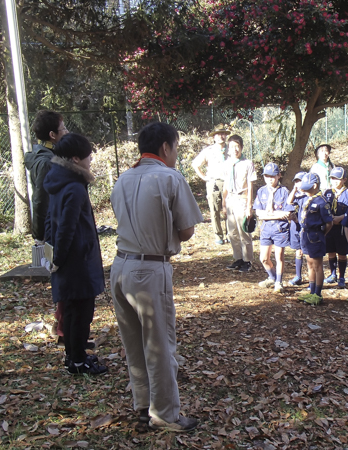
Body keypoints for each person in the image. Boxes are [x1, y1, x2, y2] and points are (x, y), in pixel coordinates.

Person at [110, 122, 203, 432]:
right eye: (176, 147)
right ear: (166, 147)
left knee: (134, 343)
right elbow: (187, 231)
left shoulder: (123, 178)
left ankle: (142, 405)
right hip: (149, 269)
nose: (176, 153)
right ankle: (165, 414)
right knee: (160, 344)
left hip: (119, 266)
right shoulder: (170, 177)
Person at [43, 133, 106, 375]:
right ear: (76, 159)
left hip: (65, 259)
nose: (91, 159)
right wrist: (59, 257)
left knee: (69, 310)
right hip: (78, 261)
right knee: (82, 312)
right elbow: (67, 227)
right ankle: (79, 361)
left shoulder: (56, 181)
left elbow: (50, 221)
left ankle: (72, 357)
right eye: (89, 155)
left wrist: (52, 255)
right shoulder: (75, 187)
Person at [25, 110, 69, 344]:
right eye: (63, 129)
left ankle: (62, 326)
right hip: (53, 229)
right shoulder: (46, 162)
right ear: (52, 135)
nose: (67, 132)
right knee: (63, 276)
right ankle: (63, 330)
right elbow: (41, 200)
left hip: (55, 226)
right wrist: (40, 235)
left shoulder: (48, 156)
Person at [254, 163, 294, 293]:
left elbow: (287, 213)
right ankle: (272, 277)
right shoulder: (261, 191)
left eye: (272, 176)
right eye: (267, 176)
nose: (270, 179)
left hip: (280, 229)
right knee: (264, 258)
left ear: (278, 176)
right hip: (266, 228)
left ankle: (279, 281)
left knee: (279, 256)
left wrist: (270, 214)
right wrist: (277, 214)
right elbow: (259, 213)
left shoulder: (284, 192)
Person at [295, 173, 333, 305]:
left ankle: (318, 293)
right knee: (309, 264)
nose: (304, 189)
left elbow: (329, 223)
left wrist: (322, 234)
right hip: (305, 235)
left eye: (307, 187)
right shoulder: (306, 199)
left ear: (315, 186)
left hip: (315, 236)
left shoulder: (321, 202)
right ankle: (311, 292)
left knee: (317, 266)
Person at [223, 135, 257, 272]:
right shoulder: (226, 164)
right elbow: (225, 185)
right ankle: (238, 258)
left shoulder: (248, 164)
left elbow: (250, 187)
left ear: (241, 147)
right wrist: (223, 204)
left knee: (244, 231)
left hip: (241, 199)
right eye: (232, 146)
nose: (235, 149)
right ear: (228, 149)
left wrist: (249, 206)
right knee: (232, 232)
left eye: (237, 146)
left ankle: (247, 260)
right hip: (230, 199)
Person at [192, 124, 229, 244]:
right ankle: (218, 236)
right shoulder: (208, 151)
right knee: (214, 210)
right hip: (214, 183)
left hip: (229, 183)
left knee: (229, 209)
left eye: (223, 134)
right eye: (218, 134)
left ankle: (230, 234)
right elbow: (195, 164)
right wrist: (204, 177)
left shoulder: (231, 149)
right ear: (214, 137)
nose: (221, 136)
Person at [323, 167, 348, 288]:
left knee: (341, 253)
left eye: (338, 179)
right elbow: (324, 207)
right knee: (331, 252)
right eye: (333, 178)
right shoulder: (328, 193)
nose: (335, 181)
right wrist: (330, 218)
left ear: (344, 179)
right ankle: (333, 274)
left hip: (342, 227)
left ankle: (341, 276)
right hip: (330, 226)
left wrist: (340, 218)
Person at [287, 172, 308, 286]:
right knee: (298, 251)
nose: (298, 183)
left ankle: (312, 279)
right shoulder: (296, 195)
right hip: (296, 227)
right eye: (296, 181)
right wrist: (294, 190)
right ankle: (298, 276)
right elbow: (288, 202)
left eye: (300, 181)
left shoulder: (309, 196)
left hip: (306, 227)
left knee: (308, 254)